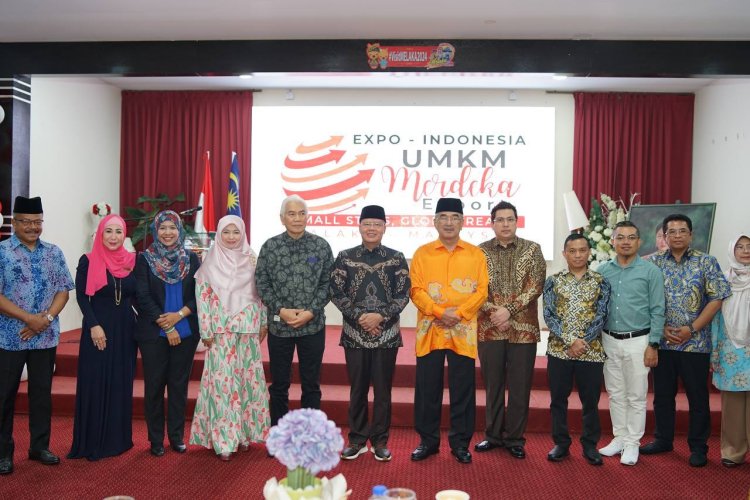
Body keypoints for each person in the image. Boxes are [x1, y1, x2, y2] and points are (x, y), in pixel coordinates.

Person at [641, 214, 730, 467]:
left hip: (696, 343)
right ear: (664, 236)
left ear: (691, 235)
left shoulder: (707, 262)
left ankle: (699, 447)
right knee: (662, 395)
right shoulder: (652, 263)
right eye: (672, 232)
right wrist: (660, 329)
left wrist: (692, 329)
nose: (677, 235)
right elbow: (643, 300)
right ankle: (663, 439)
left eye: (682, 231)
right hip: (663, 342)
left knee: (698, 397)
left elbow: (716, 299)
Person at [409, 197, 488, 465]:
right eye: (443, 217)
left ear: (463, 222)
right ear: (435, 222)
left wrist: (459, 314)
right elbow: (416, 290)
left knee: (463, 389)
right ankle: (427, 441)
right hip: (430, 330)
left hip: (463, 331)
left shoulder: (475, 254)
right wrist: (441, 312)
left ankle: (460, 443)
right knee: (427, 389)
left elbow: (482, 291)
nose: (449, 222)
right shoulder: (422, 253)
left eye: (454, 217)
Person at [0, 196, 74, 475]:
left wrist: (47, 318)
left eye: (37, 222)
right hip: (9, 337)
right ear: (15, 222)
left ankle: (39, 447)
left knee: (41, 394)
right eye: (26, 222)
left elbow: (63, 290)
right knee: (4, 395)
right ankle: (3, 453)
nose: (33, 227)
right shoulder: (2, 252)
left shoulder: (53, 252)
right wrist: (28, 318)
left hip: (45, 336)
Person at [330, 205, 410, 462]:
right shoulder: (345, 257)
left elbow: (403, 294)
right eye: (367, 224)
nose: (372, 228)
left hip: (387, 335)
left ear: (385, 227)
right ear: (359, 226)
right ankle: (356, 439)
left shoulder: (397, 258)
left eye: (377, 224)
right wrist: (360, 317)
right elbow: (336, 292)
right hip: (355, 334)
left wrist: (380, 316)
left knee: (383, 391)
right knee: (358, 389)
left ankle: (380, 441)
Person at [189, 215, 271, 461]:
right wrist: (205, 330)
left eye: (236, 232)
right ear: (219, 234)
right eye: (226, 232)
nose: (232, 237)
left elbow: (262, 294)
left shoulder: (252, 258)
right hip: (220, 330)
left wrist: (264, 322)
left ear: (243, 233)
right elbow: (202, 297)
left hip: (248, 328)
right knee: (223, 385)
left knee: (247, 382)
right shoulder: (210, 261)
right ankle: (224, 439)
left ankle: (244, 434)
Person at [475, 201, 546, 459]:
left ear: (517, 222)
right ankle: (493, 435)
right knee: (493, 385)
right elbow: (474, 288)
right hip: (489, 328)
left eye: (510, 219)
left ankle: (515, 438)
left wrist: (509, 310)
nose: (505, 224)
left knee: (519, 386)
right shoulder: (479, 252)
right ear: (492, 223)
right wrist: (496, 312)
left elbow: (535, 286)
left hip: (523, 330)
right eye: (500, 219)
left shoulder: (532, 249)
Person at [255, 195, 334, 425]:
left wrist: (311, 311)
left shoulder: (321, 246)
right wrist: (281, 310)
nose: (297, 218)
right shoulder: (270, 247)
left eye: (302, 213)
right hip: (280, 326)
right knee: (279, 384)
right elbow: (262, 283)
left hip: (313, 325)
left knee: (311, 384)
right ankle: (278, 433)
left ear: (307, 217)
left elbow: (329, 284)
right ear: (282, 218)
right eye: (291, 214)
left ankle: (311, 432)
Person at [68, 214, 137, 461]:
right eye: (108, 231)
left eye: (118, 232)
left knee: (121, 382)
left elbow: (138, 295)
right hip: (97, 328)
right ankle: (93, 441)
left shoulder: (132, 261)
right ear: (100, 234)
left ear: (124, 235)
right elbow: (82, 297)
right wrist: (94, 325)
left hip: (126, 331)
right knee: (95, 382)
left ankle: (118, 440)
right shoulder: (87, 260)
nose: (113, 237)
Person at [596, 221, 665, 466]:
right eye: (621, 237)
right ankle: (620, 438)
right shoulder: (603, 270)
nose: (626, 242)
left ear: (639, 241)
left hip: (639, 341)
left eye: (631, 237)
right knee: (615, 393)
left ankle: (633, 443)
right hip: (609, 339)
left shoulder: (650, 271)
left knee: (636, 395)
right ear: (612, 241)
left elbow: (658, 309)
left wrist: (653, 344)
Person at [134, 210, 201, 457]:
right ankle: (155, 440)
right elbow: (142, 296)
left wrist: (179, 315)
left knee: (178, 385)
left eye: (172, 227)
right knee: (154, 386)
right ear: (155, 230)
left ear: (180, 230)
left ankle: (176, 436)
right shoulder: (144, 259)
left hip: (186, 332)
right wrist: (168, 325)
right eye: (163, 228)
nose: (168, 232)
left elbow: (199, 295)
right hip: (155, 332)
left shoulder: (192, 259)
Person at [543, 233, 610, 466]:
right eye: (572, 251)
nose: (578, 255)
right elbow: (549, 315)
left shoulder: (601, 281)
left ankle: (590, 445)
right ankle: (561, 443)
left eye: (582, 250)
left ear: (589, 252)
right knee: (558, 400)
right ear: (564, 254)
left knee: (590, 401)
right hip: (558, 351)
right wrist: (571, 341)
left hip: (591, 352)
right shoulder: (553, 281)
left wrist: (582, 342)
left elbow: (602, 315)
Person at [711, 233, 750, 468]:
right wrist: (714, 351)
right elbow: (715, 317)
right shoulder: (723, 280)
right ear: (732, 251)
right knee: (732, 406)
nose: (745, 250)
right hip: (730, 350)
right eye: (740, 247)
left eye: (749, 246)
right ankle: (733, 452)